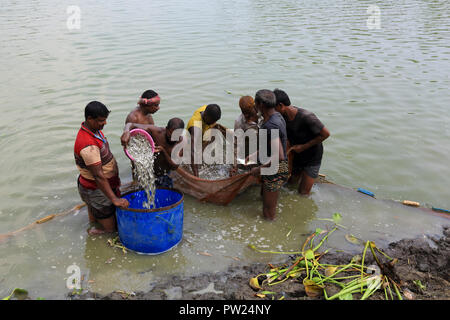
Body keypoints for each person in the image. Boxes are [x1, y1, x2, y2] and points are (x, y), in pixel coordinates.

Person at [74, 101, 129, 235]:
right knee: (112, 229)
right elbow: (98, 176)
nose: (105, 123)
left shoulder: (94, 131)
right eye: (101, 121)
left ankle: (94, 223)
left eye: (105, 120)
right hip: (96, 189)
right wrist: (114, 199)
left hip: (92, 187)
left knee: (96, 212)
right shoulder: (88, 146)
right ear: (89, 119)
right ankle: (96, 232)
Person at [273, 88, 330, 195]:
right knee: (290, 184)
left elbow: (326, 134)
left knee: (303, 192)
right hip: (297, 154)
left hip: (312, 156)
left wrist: (303, 147)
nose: (272, 112)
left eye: (274, 108)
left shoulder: (307, 117)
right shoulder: (282, 118)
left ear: (281, 105)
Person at [249, 90, 289, 220]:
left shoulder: (270, 125)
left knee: (268, 211)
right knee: (264, 198)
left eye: (255, 103)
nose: (254, 106)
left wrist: (258, 169)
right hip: (273, 167)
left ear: (260, 104)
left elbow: (279, 156)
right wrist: (256, 154)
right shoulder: (276, 116)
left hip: (275, 170)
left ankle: (270, 233)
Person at [121, 118, 185, 188]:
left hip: (164, 175)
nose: (173, 137)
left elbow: (174, 166)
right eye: (170, 134)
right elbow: (130, 124)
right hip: (147, 172)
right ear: (166, 129)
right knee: (144, 195)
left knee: (165, 194)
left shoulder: (181, 143)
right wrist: (126, 132)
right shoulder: (156, 132)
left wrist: (163, 151)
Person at [186, 104, 221, 176]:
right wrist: (196, 175)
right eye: (212, 121)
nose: (213, 123)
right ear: (205, 116)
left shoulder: (206, 109)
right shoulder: (196, 126)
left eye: (215, 121)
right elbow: (192, 150)